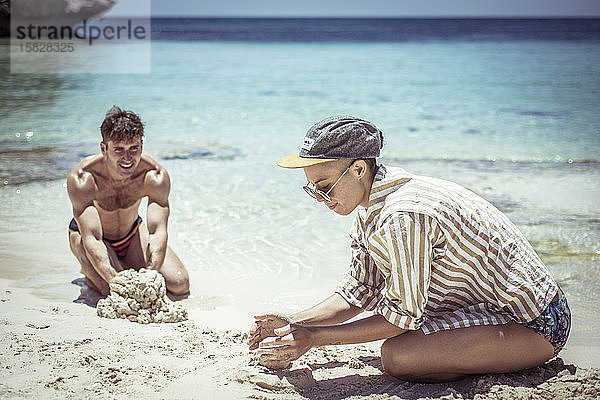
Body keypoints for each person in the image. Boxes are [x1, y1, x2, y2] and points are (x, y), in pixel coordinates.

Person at [248, 115, 570, 382]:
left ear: (359, 168)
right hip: (494, 311)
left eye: (324, 187)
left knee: (398, 356)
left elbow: (401, 318)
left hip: (537, 324)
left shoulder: (402, 216)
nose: (321, 199)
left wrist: (314, 339)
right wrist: (294, 323)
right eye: (311, 190)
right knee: (402, 346)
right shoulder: (371, 208)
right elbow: (357, 292)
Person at [67, 106, 189, 297]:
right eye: (118, 149)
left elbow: (158, 231)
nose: (127, 158)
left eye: (134, 148)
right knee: (115, 292)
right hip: (91, 237)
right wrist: (113, 279)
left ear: (142, 144)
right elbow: (92, 237)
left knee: (179, 284)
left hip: (131, 232)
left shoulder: (154, 176)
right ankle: (89, 270)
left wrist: (151, 272)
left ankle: (121, 264)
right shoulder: (83, 178)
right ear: (103, 148)